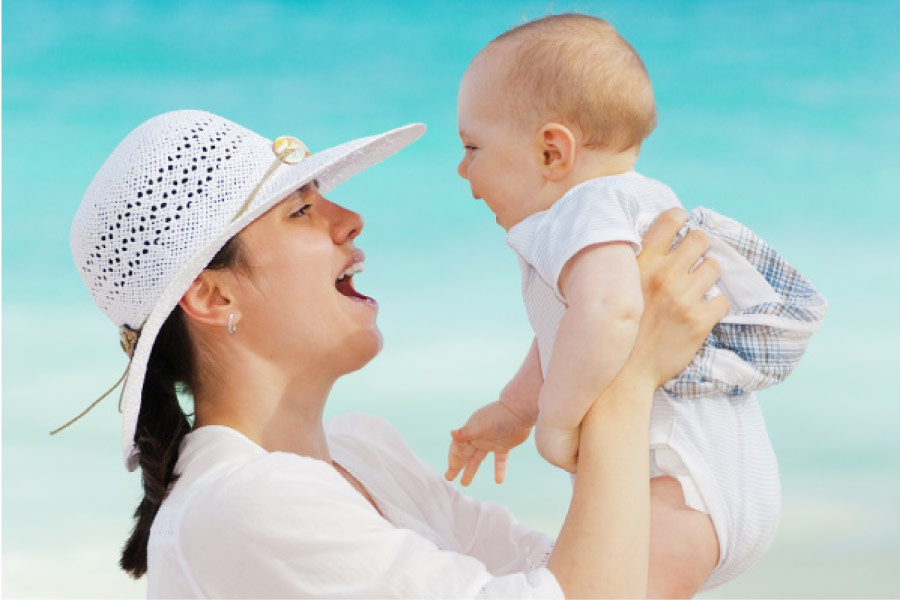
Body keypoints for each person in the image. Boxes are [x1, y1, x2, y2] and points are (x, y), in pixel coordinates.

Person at [64, 109, 726, 598]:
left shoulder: (365, 453)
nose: (349, 219)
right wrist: (627, 368)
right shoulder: (240, 505)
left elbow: (611, 578)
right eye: (299, 212)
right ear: (210, 297)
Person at [449, 13, 826, 597]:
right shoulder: (635, 202)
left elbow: (610, 313)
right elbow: (568, 329)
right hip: (716, 479)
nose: (463, 171)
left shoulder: (582, 210)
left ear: (553, 151)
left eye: (473, 147)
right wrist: (514, 409)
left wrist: (556, 421)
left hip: (675, 479)